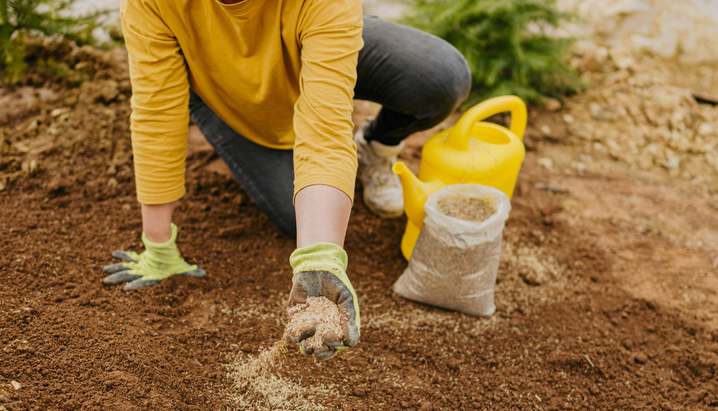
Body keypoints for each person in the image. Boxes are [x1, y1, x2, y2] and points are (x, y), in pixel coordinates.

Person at [102, 0, 471, 360]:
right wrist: (159, 246)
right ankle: (260, 136)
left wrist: (320, 259)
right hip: (220, 91)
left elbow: (324, 132)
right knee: (298, 215)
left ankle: (374, 146)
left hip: (305, 41)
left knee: (439, 75)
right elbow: (157, 116)